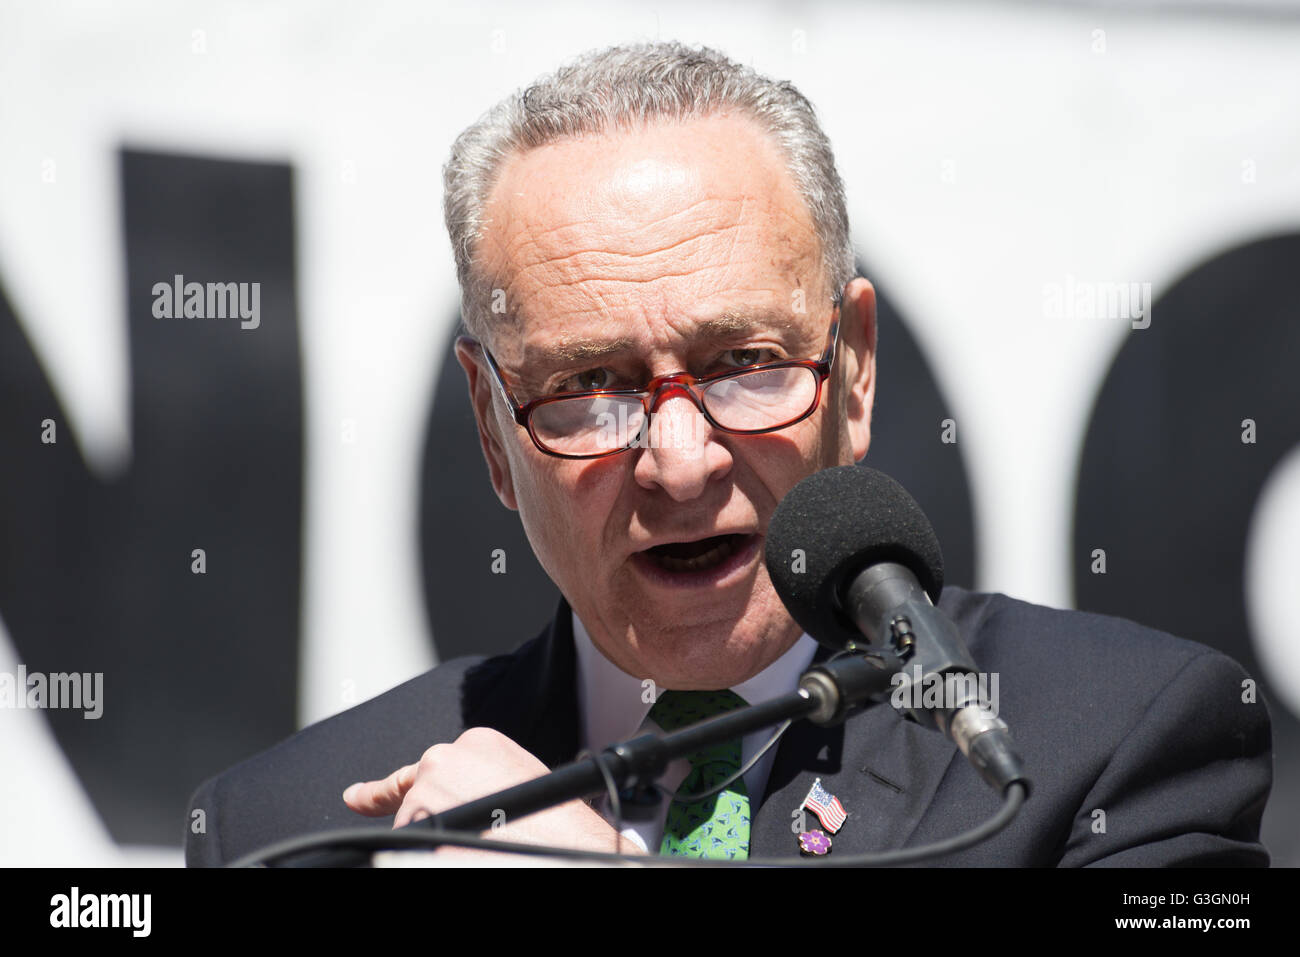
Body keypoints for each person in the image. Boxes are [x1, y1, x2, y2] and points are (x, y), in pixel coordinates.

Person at [185, 41, 1271, 867]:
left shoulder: (1118, 743)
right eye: (590, 386)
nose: (681, 461)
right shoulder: (292, 827)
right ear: (488, 426)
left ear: (851, 373)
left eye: (744, 361)